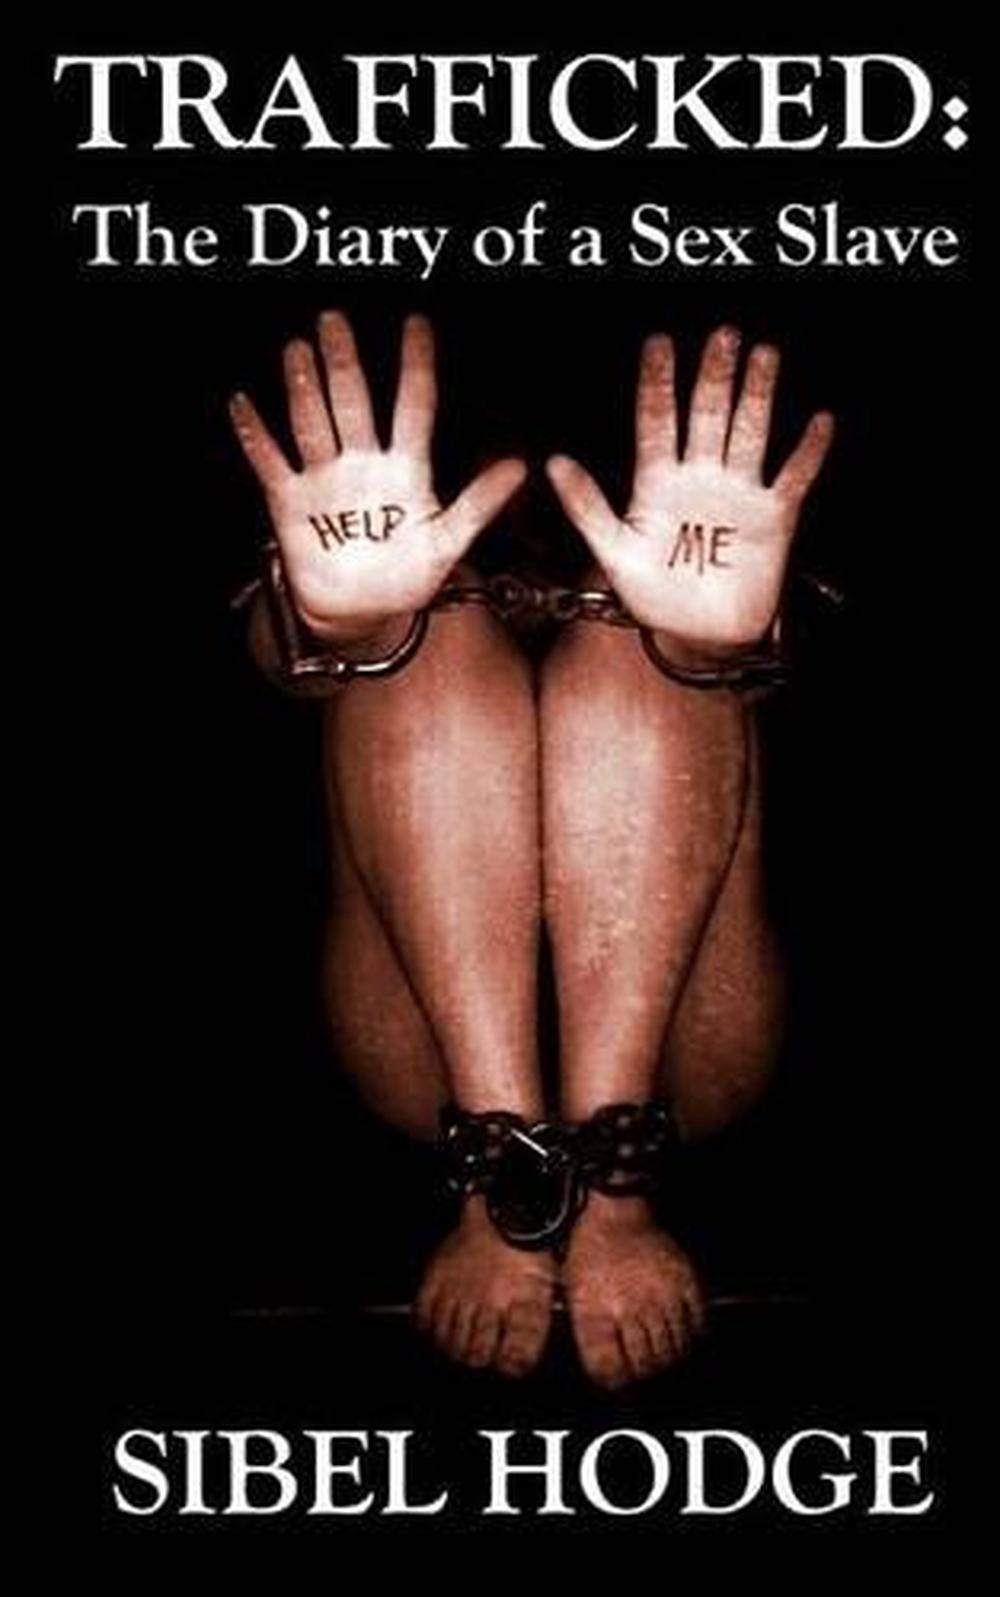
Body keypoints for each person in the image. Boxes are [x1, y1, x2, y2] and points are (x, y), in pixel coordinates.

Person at [229, 310, 834, 1390]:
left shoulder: (692, 417)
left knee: (637, 633)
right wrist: (342, 629)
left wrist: (716, 643)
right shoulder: (395, 434)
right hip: (434, 1056)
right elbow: (266, 654)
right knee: (424, 635)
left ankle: (612, 1187)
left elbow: (815, 658)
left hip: (682, 1044)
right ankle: (504, 1171)